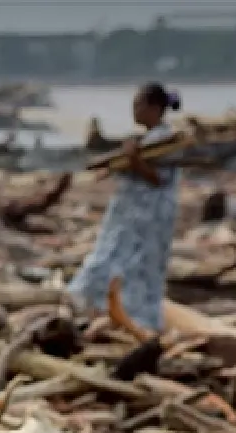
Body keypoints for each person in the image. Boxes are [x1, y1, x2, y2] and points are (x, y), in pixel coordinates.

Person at [67, 82, 182, 335]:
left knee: (134, 265)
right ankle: (103, 309)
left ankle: (136, 318)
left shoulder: (165, 139)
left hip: (147, 216)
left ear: (154, 108)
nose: (134, 111)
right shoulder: (147, 139)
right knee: (113, 257)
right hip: (130, 214)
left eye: (138, 105)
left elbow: (158, 179)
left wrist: (133, 159)